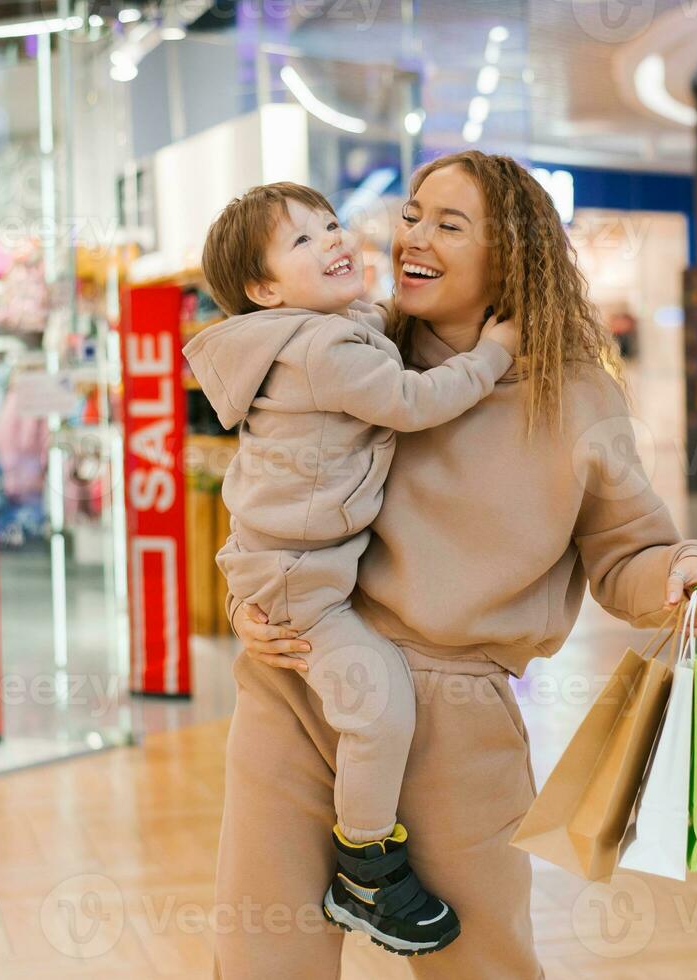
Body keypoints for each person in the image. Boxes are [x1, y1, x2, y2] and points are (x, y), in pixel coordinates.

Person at [213, 151, 697, 979]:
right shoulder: (348, 352)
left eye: (449, 224)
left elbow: (628, 550)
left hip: (456, 723)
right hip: (301, 684)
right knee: (261, 956)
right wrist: (251, 601)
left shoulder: (575, 400)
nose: (413, 236)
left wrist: (683, 568)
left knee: (481, 964)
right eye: (412, 213)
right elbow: (268, 494)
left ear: (511, 255)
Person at [184, 181, 519, 957]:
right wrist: (496, 352)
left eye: (331, 224)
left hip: (288, 565)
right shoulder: (320, 349)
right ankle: (365, 866)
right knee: (376, 703)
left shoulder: (341, 326)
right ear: (265, 291)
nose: (334, 240)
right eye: (302, 242)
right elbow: (414, 400)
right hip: (297, 581)